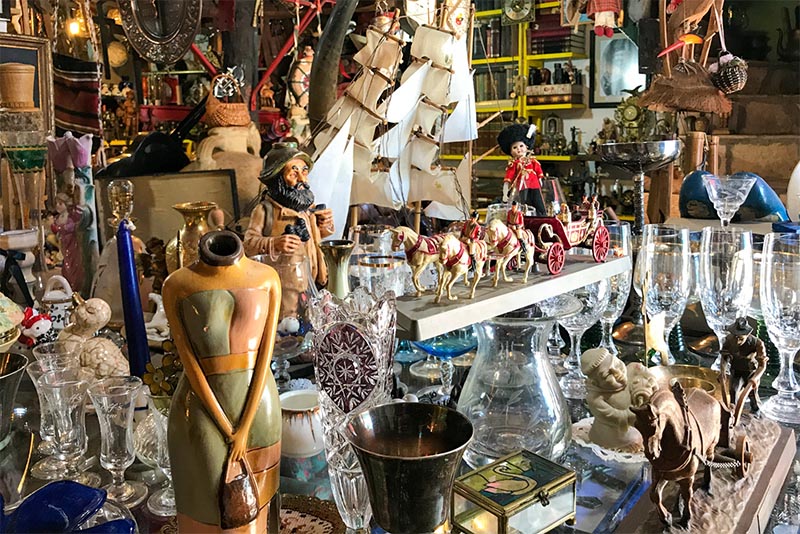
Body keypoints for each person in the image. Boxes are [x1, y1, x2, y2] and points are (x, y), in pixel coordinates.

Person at [243, 142, 334, 288]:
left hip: (316, 279)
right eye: (293, 174)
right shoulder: (264, 211)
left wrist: (325, 224)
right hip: (287, 283)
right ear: (278, 180)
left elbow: (317, 236)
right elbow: (248, 244)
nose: (303, 180)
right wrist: (274, 243)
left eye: (304, 172)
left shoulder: (307, 207)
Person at [582, 347, 644, 449]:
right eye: (607, 375)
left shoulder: (631, 370)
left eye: (617, 364)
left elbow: (647, 378)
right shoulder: (596, 398)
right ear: (596, 382)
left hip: (635, 430)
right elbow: (612, 416)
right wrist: (634, 414)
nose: (617, 372)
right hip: (612, 438)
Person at [498, 123, 546, 215]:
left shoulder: (532, 161)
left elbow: (539, 171)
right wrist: (505, 193)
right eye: (515, 147)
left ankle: (542, 216)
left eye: (521, 146)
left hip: (534, 185)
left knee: (538, 202)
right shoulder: (514, 164)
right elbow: (508, 179)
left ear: (526, 147)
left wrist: (540, 179)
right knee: (523, 204)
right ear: (511, 151)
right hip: (521, 187)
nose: (519, 149)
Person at [720, 318, 767, 413]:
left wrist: (755, 378)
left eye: (741, 339)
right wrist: (723, 371)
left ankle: (756, 410)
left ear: (747, 335)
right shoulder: (728, 340)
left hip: (750, 372)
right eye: (735, 337)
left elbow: (762, 365)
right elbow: (725, 357)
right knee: (733, 390)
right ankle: (733, 412)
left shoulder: (757, 343)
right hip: (736, 370)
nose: (737, 341)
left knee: (752, 393)